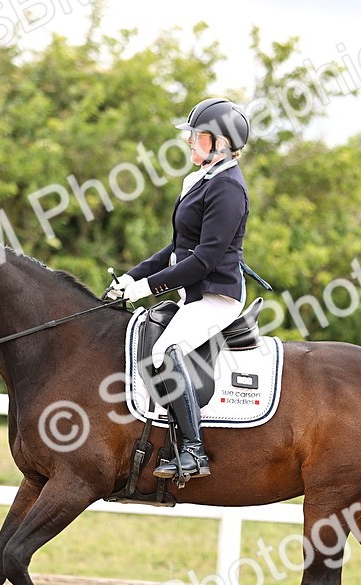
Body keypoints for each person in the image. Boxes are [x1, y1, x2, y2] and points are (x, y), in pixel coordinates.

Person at [106, 97, 251, 480]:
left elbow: (203, 260)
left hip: (217, 296)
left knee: (163, 351)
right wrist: (131, 278)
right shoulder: (201, 180)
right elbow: (176, 249)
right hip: (194, 292)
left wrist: (145, 290)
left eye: (196, 136)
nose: (189, 142)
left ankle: (193, 452)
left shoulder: (228, 189)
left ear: (220, 143)